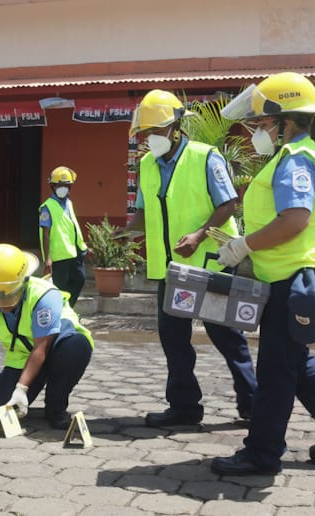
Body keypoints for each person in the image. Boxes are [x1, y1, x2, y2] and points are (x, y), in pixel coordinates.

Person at [210, 72, 315, 475]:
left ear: (287, 121)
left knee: (276, 369)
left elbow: (295, 220)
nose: (259, 132)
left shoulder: (296, 159)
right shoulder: (292, 155)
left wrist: (243, 245)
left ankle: (261, 455)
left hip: (299, 277)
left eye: (264, 124)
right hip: (293, 274)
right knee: (292, 360)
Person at [116, 89, 257, 428]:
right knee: (174, 341)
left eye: (156, 131)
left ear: (176, 128)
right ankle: (184, 407)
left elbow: (228, 205)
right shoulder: (147, 164)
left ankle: (253, 405)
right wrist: (121, 234)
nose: (150, 139)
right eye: (146, 133)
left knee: (227, 339)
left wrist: (198, 234)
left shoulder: (205, 157)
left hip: (210, 263)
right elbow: (144, 214)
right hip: (171, 270)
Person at [0, 243, 93, 429]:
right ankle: (0, 381)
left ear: (21, 284)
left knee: (76, 348)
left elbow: (41, 347)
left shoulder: (44, 295)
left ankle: (56, 407)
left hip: (58, 349)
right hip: (24, 359)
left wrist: (22, 388)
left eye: (3, 296)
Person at [39, 166, 87, 307]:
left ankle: (67, 310)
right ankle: (60, 315)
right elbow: (45, 233)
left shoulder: (69, 203)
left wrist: (82, 245)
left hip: (74, 252)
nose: (63, 188)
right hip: (58, 256)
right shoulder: (47, 207)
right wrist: (47, 258)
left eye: (66, 185)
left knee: (79, 279)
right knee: (60, 289)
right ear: (53, 186)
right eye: (60, 185)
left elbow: (72, 226)